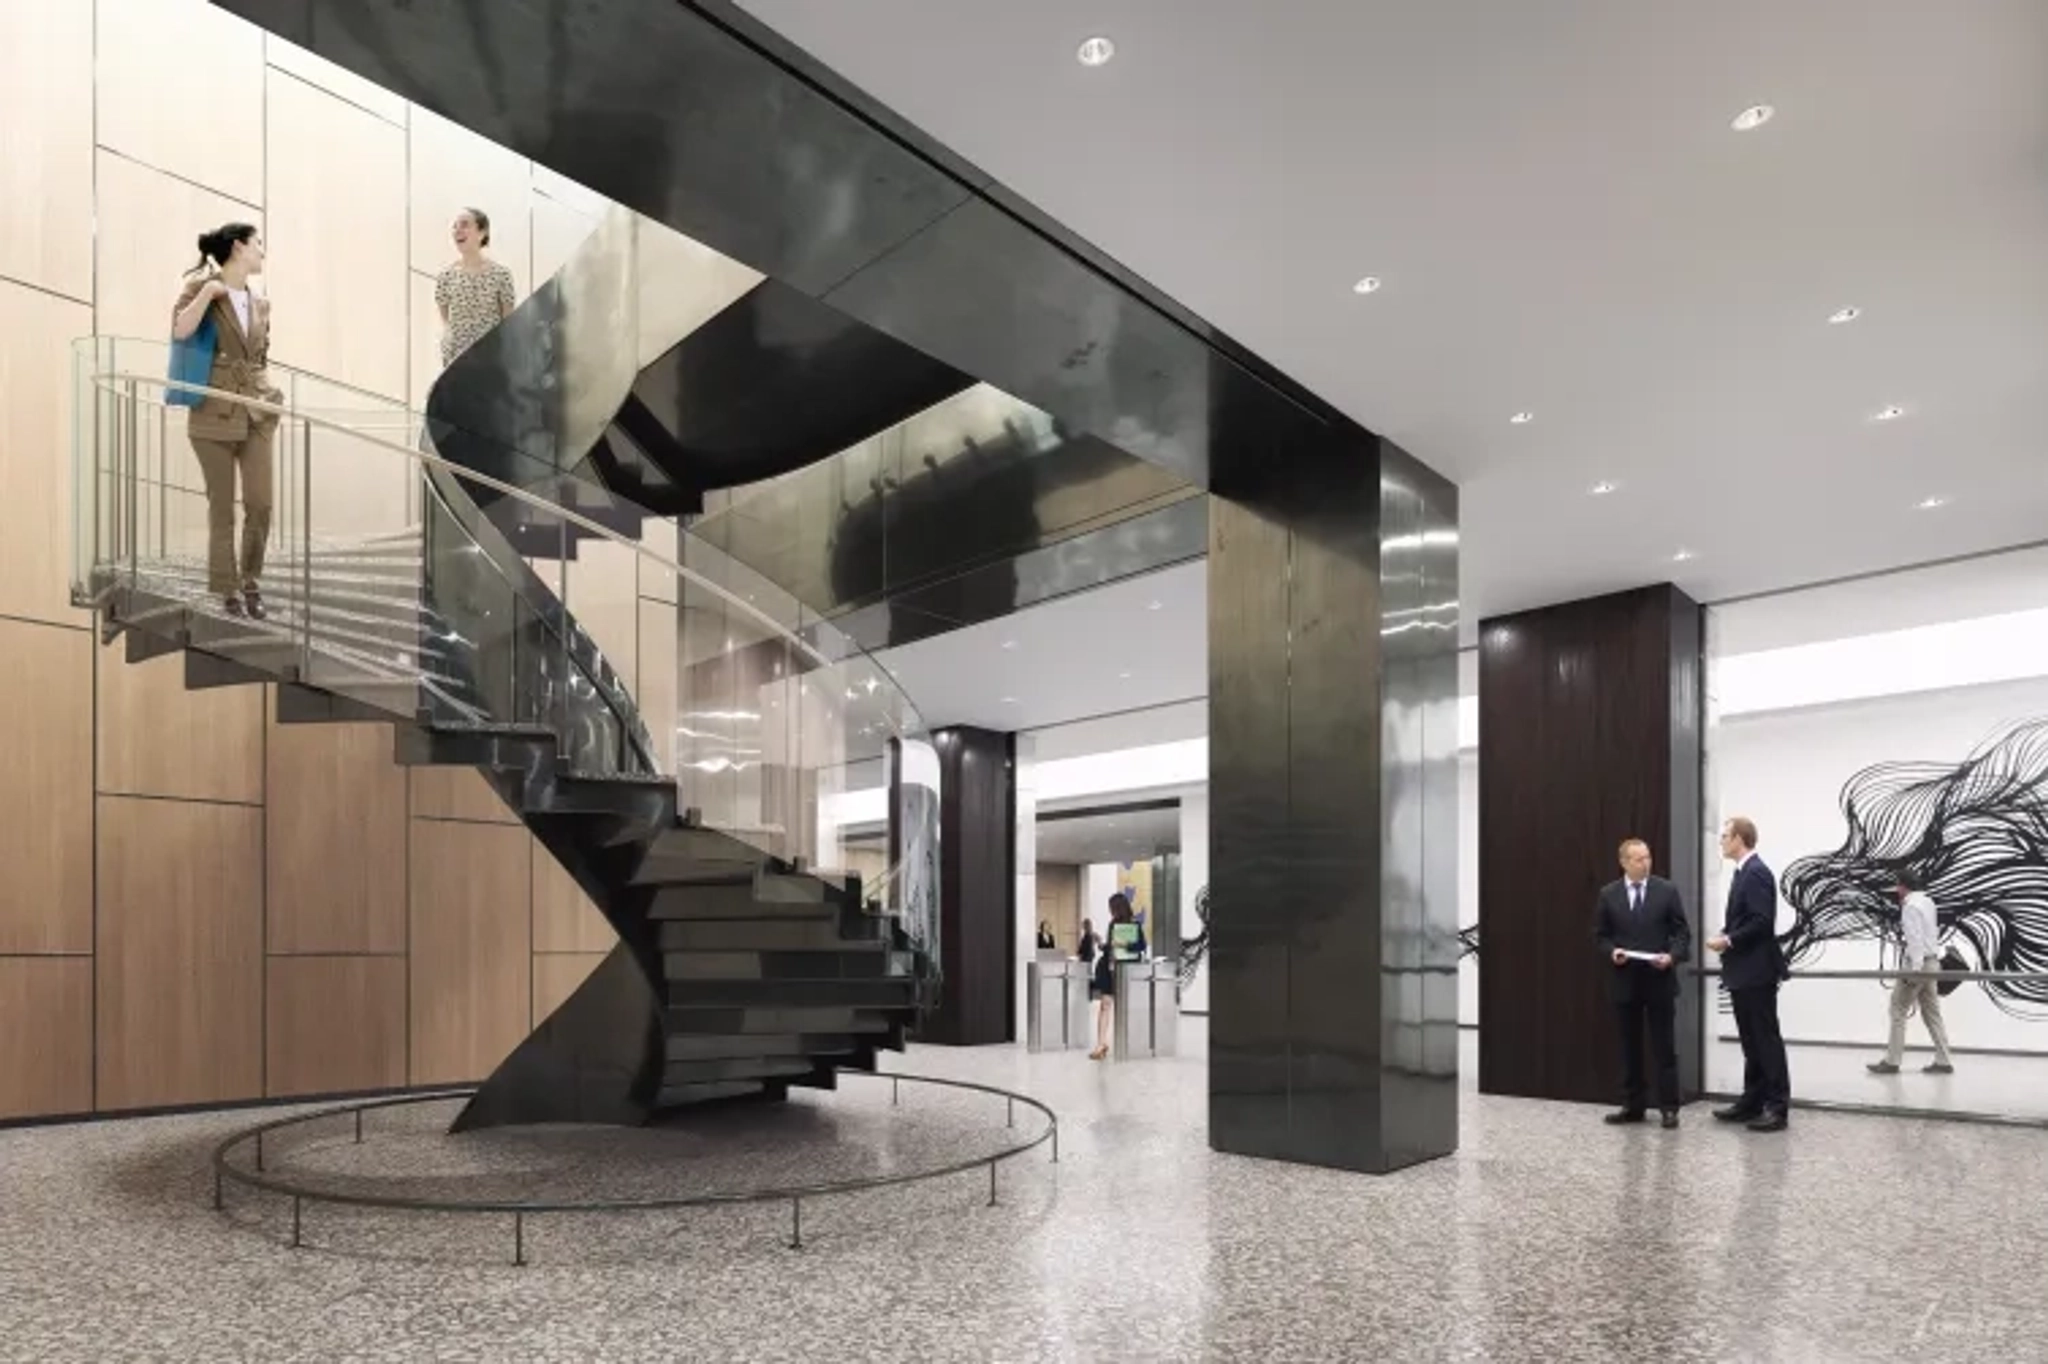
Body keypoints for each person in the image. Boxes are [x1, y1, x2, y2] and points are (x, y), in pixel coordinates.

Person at [171, 223, 278, 619]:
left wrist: (269, 396)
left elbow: (260, 358)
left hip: (255, 411)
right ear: (239, 248)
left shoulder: (261, 303)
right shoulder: (201, 289)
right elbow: (180, 331)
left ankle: (251, 580)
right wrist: (207, 294)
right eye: (258, 244)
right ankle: (228, 589)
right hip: (212, 410)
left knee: (261, 504)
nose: (263, 251)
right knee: (222, 508)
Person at [1595, 837, 1691, 1129]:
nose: (1645, 863)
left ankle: (1669, 1107)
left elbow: (1682, 933)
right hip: (1625, 981)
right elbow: (1601, 935)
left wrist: (1672, 957)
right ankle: (1633, 1105)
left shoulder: (1666, 890)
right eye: (1638, 859)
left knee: (1664, 1046)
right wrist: (1612, 952)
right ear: (1624, 862)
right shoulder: (1608, 895)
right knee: (1629, 1046)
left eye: (1647, 857)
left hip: (1658, 979)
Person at [1708, 816, 1791, 1131]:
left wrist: (1728, 939)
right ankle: (1752, 1101)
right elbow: (1747, 920)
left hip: (1756, 971)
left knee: (1765, 1040)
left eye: (1725, 836)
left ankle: (1776, 1107)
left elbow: (1761, 921)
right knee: (1751, 1041)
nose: (1722, 842)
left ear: (1740, 839)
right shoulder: (1743, 872)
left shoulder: (1756, 873)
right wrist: (1728, 933)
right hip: (1744, 971)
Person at [1869, 871, 1956, 1075]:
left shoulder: (1910, 907)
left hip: (1918, 964)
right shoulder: (1927, 902)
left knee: (1898, 1009)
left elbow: (1915, 940)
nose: (1896, 891)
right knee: (1932, 1013)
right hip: (1933, 962)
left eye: (1897, 886)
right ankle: (1944, 1060)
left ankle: (1892, 1061)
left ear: (1902, 887)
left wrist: (1913, 972)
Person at [435, 208, 517, 367]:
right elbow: (447, 322)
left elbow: (508, 324)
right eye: (455, 226)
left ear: (482, 233)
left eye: (465, 225)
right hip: (455, 360)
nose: (458, 230)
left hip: (490, 359)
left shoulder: (501, 275)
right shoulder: (446, 277)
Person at [1088, 894, 1146, 1061]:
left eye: (1111, 907)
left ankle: (1129, 1043)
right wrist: (1102, 945)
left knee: (1125, 1007)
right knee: (1105, 1005)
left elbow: (1141, 946)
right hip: (1109, 968)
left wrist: (1124, 945)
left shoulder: (1135, 925)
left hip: (1126, 969)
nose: (1110, 911)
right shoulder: (1112, 924)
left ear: (1118, 907)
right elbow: (1110, 948)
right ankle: (1101, 1044)